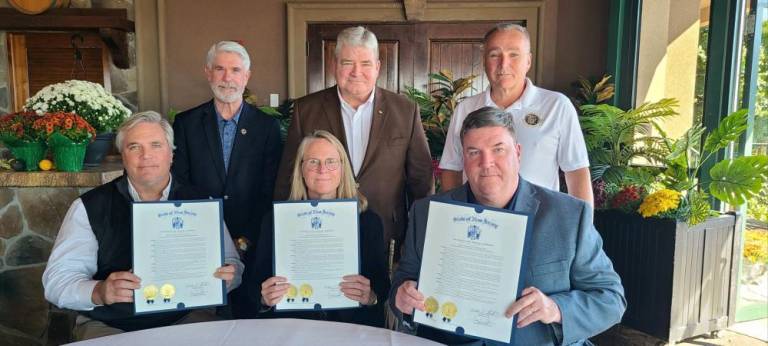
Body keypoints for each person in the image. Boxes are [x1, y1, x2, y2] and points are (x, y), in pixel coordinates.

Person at [391, 107, 625, 345]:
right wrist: (402, 298)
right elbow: (403, 281)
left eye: (498, 150)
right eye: (474, 152)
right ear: (464, 159)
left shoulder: (568, 216)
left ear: (518, 153)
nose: (487, 163)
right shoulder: (427, 213)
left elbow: (611, 299)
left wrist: (555, 309)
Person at [42, 111, 244, 341]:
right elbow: (57, 282)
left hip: (187, 319)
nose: (146, 155)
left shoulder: (202, 203)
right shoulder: (89, 207)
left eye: (156, 145)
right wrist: (99, 291)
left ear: (171, 154)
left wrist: (229, 277)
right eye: (134, 147)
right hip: (112, 325)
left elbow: (233, 265)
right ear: (123, 156)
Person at [274, 26, 433, 259]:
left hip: (386, 235)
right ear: (334, 65)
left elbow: (421, 179)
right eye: (347, 62)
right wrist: (283, 229)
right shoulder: (306, 109)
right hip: (322, 232)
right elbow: (289, 175)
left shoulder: (405, 110)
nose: (356, 72)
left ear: (377, 67)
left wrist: (420, 236)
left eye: (366, 63)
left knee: (378, 295)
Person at [439, 23, 593, 205]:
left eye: (513, 55)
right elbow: (451, 170)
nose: (504, 64)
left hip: (538, 221)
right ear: (484, 61)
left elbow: (577, 173)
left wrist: (583, 229)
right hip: (478, 223)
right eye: (495, 55)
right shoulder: (465, 109)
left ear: (528, 61)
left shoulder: (556, 106)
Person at [248, 130, 390, 327]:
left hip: (351, 330)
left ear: (343, 167)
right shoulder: (276, 220)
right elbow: (254, 285)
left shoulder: (368, 221)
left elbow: (382, 287)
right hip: (290, 329)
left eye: (331, 161)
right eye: (313, 161)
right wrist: (264, 298)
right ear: (301, 168)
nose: (323, 169)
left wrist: (370, 296)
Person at [172, 40, 282, 252]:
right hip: (198, 240)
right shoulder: (186, 124)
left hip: (254, 244)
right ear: (208, 73)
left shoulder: (266, 127)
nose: (227, 78)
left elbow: (271, 189)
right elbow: (180, 184)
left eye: (235, 70)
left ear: (246, 76)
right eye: (219, 69)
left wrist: (245, 240)